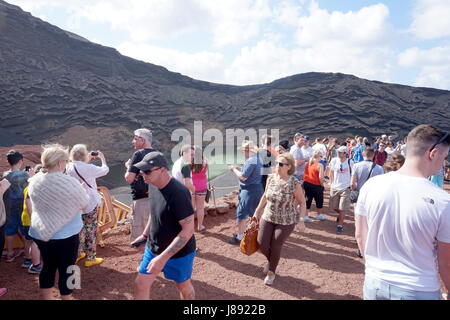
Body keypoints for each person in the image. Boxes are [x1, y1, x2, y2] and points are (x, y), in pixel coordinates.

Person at [355, 125, 450, 300]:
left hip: (374, 282)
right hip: (419, 289)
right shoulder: (442, 201)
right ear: (433, 153)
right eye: (444, 157)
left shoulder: (371, 186)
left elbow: (361, 235)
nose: (443, 163)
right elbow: (446, 262)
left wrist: (373, 269)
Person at [28, 144, 89, 300]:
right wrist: (78, 191)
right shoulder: (69, 183)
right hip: (67, 235)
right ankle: (67, 297)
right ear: (60, 163)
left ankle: (46, 297)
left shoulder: (34, 181)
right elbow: (84, 204)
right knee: (69, 268)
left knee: (47, 266)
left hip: (41, 234)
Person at [133, 152, 196, 300]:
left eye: (147, 171)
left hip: (179, 253)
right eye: (141, 171)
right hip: (153, 247)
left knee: (183, 287)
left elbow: (188, 230)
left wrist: (162, 258)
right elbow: (154, 213)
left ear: (162, 170)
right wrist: (144, 235)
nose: (143, 174)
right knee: (141, 283)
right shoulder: (153, 185)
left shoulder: (179, 193)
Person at [253, 153, 306, 285]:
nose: (277, 166)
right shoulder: (271, 178)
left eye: (280, 164)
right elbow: (265, 196)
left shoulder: (294, 183)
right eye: (276, 163)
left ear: (289, 167)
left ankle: (271, 272)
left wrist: (301, 220)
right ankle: (272, 261)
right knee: (261, 244)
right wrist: (257, 212)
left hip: (286, 220)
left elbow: (302, 202)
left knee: (276, 244)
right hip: (268, 216)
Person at [67, 144, 109, 267]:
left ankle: (79, 253)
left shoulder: (69, 167)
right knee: (91, 228)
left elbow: (79, 167)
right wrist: (102, 158)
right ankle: (91, 257)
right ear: (84, 155)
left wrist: (86, 158)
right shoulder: (89, 168)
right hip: (89, 202)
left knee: (79, 228)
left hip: (76, 202)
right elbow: (105, 170)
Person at [228, 140, 264, 245]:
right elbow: (248, 172)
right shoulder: (258, 158)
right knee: (255, 213)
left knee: (241, 214)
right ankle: (257, 235)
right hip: (257, 189)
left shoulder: (250, 160)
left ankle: (240, 237)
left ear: (248, 150)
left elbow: (243, 177)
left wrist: (234, 169)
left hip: (249, 190)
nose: (242, 153)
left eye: (243, 151)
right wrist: (240, 168)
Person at [125, 129, 156, 242]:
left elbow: (129, 179)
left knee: (141, 236)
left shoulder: (138, 154)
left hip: (141, 199)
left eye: (135, 138)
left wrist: (128, 166)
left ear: (142, 140)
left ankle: (149, 258)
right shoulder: (157, 153)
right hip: (156, 197)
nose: (132, 141)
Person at [2, 150, 29, 262]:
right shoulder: (26, 174)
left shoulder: (5, 175)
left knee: (9, 230)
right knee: (24, 231)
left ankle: (10, 253)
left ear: (8, 162)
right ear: (21, 161)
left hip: (9, 206)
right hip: (23, 206)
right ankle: (28, 254)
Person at [21, 164, 43, 274]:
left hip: (26, 219)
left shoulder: (27, 187)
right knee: (36, 242)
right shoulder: (35, 188)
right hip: (32, 220)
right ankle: (36, 264)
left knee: (28, 241)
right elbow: (31, 205)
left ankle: (27, 259)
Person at [329, 146, 354, 234]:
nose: (338, 153)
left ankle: (340, 225)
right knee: (334, 207)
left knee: (342, 208)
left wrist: (352, 184)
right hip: (335, 187)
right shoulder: (334, 160)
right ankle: (340, 216)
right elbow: (331, 172)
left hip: (345, 187)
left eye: (340, 152)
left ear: (345, 153)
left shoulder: (350, 162)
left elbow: (353, 174)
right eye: (338, 152)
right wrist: (331, 183)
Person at [303, 151, 326, 222]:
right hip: (316, 185)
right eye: (321, 156)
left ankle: (306, 216)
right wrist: (323, 186)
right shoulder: (320, 165)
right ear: (318, 157)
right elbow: (321, 178)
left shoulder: (308, 163)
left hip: (307, 183)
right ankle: (318, 215)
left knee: (308, 199)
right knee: (319, 200)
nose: (321, 158)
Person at [189, 146, 208, 232]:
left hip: (191, 187)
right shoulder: (205, 162)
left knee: (191, 209)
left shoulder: (189, 162)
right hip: (202, 187)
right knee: (200, 208)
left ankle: (190, 227)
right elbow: (205, 171)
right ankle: (200, 226)